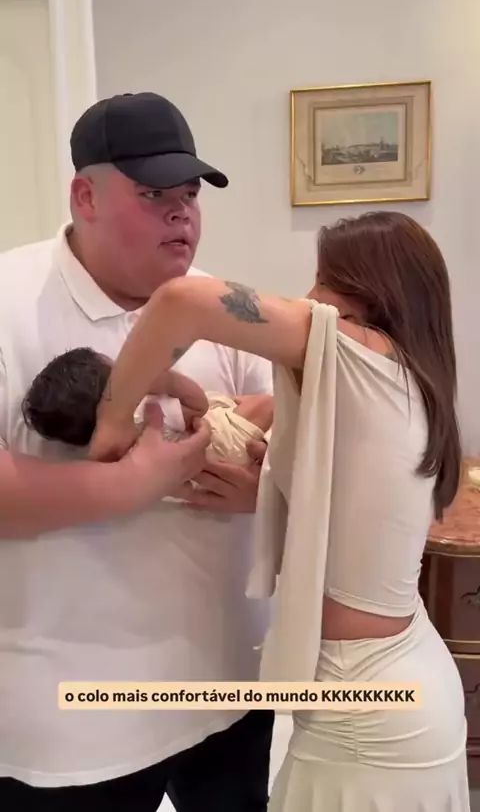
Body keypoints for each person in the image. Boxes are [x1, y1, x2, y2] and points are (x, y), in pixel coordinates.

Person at [90, 211, 470, 811]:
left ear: (369, 297)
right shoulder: (405, 380)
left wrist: (111, 424)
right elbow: (343, 507)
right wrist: (264, 489)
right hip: (400, 681)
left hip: (367, 711)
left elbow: (182, 302)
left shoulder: (361, 355)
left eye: (324, 281)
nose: (309, 296)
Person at [0, 92, 274, 811]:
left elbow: (286, 439)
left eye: (190, 195)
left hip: (231, 683)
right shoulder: (7, 301)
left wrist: (266, 488)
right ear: (85, 196)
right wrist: (132, 483)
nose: (182, 214)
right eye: (154, 194)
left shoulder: (226, 307)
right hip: (73, 717)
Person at [21, 346, 273, 464]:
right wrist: (166, 381)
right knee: (272, 407)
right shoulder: (147, 412)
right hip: (220, 441)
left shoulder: (106, 452)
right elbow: (199, 405)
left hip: (209, 456)